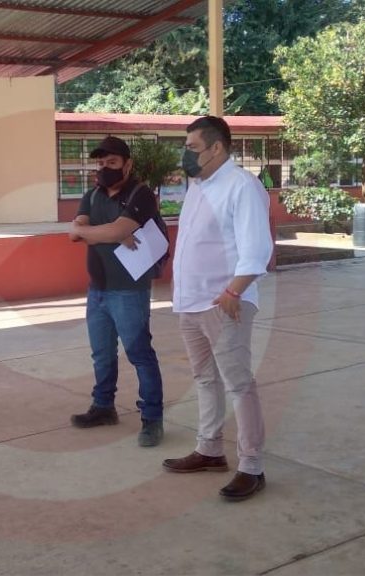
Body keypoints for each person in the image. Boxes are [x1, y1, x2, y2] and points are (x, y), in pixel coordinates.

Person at [161, 116, 273, 502]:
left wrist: (232, 292)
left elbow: (257, 248)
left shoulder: (242, 185)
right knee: (205, 379)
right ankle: (209, 450)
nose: (186, 155)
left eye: (192, 148)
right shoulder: (198, 186)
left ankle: (252, 466)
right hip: (191, 302)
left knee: (239, 384)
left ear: (217, 148)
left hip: (224, 303)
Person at [68, 136, 166, 448]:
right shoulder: (92, 195)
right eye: (101, 163)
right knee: (101, 353)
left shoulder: (140, 194)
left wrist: (104, 233)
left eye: (112, 162)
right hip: (97, 290)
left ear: (128, 164)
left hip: (129, 291)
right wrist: (109, 233)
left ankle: (152, 419)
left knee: (140, 355)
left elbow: (110, 230)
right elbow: (74, 232)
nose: (105, 168)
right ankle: (103, 407)